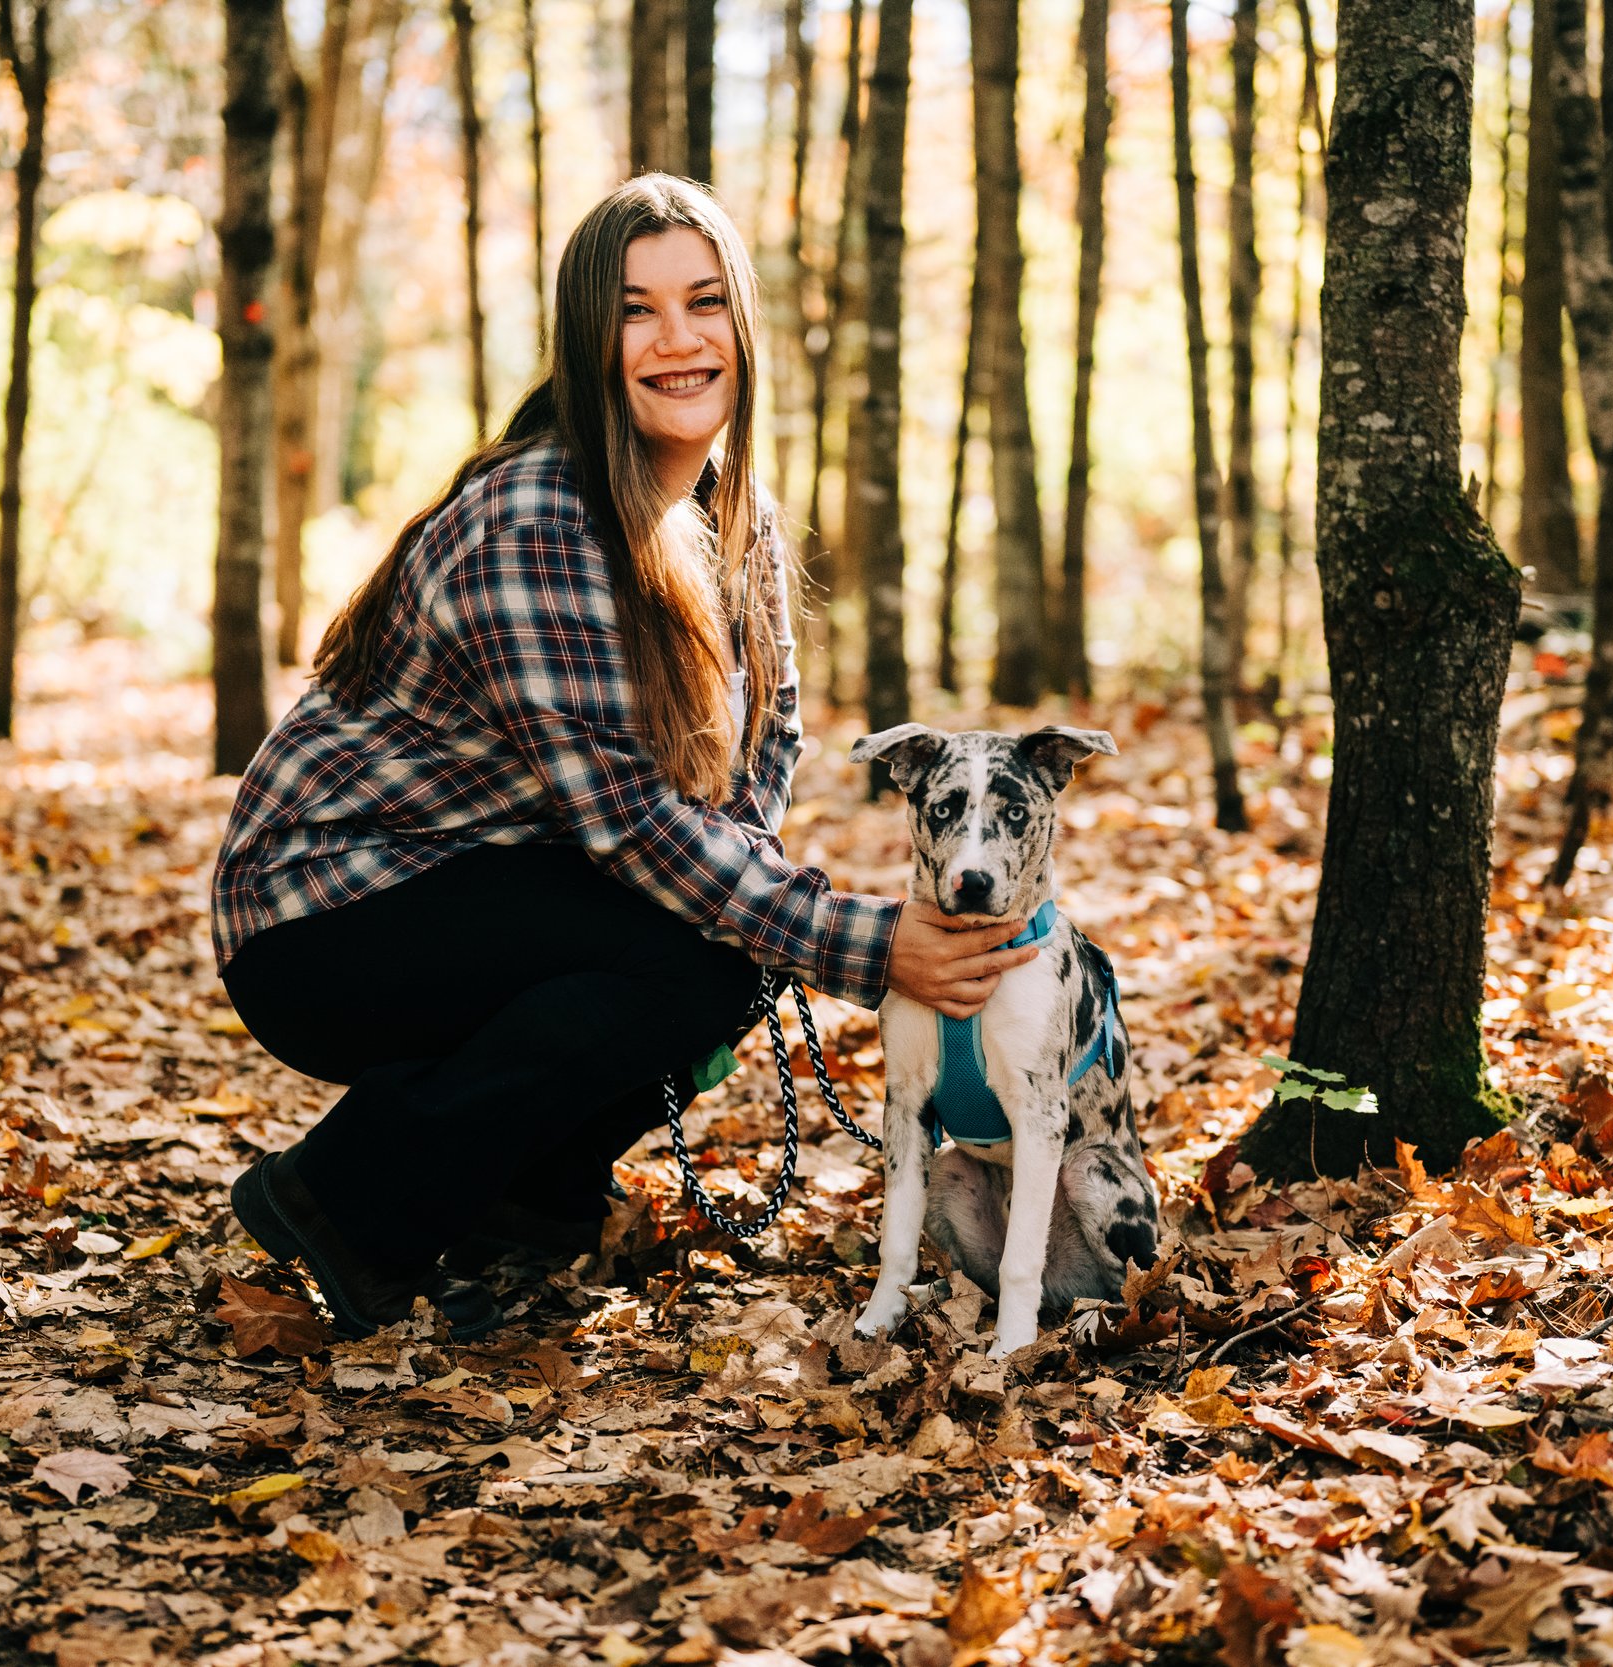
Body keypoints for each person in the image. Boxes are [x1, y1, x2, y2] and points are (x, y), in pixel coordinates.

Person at [211, 175, 1041, 1341]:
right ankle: (348, 1198)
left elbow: (771, 739)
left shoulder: (724, 512)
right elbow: (632, 826)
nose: (677, 340)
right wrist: (868, 945)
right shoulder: (538, 516)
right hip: (325, 910)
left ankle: (521, 1204)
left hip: (489, 877)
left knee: (726, 946)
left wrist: (762, 906)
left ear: (741, 324)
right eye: (637, 311)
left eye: (703, 303)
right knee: (706, 955)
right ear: (591, 339)